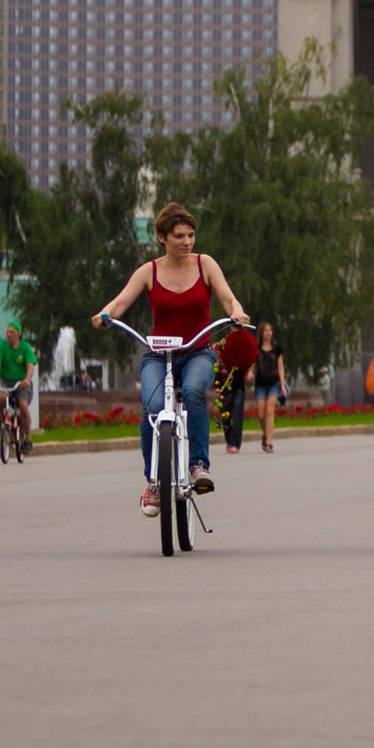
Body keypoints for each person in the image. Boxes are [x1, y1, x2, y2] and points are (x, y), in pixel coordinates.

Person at [93, 203, 251, 516]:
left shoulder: (205, 265)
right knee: (152, 408)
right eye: (179, 236)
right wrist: (105, 314)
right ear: (162, 237)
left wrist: (236, 312)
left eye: (191, 235)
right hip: (159, 355)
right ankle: (153, 482)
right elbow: (122, 301)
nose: (187, 241)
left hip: (197, 352)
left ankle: (198, 466)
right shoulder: (148, 272)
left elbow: (228, 297)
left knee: (193, 392)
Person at [0, 322, 39, 457]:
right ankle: (4, 421)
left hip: (21, 382)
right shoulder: (1, 346)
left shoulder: (25, 347)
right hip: (5, 381)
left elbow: (30, 365)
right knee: (1, 398)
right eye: (7, 332)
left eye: (12, 332)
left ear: (18, 334)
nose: (9, 334)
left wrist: (27, 379)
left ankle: (28, 439)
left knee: (23, 406)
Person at [250, 323, 284, 454]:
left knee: (270, 411)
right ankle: (265, 434)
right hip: (260, 384)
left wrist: (282, 384)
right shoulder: (257, 348)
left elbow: (280, 367)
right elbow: (252, 363)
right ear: (261, 333)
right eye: (266, 330)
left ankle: (268, 442)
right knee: (261, 414)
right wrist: (250, 372)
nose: (268, 333)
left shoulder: (277, 349)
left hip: (274, 383)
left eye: (270, 330)